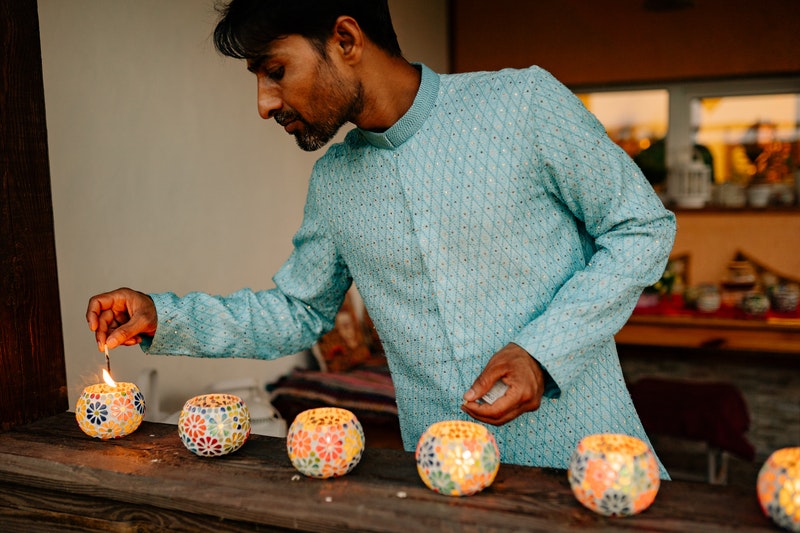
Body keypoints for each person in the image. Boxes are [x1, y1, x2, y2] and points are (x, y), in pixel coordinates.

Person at [86, 0, 676, 475]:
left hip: (593, 469)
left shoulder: (523, 105)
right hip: (437, 483)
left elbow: (641, 226)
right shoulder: (335, 181)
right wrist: (163, 316)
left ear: (346, 39)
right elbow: (299, 311)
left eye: (275, 71)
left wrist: (541, 354)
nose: (264, 104)